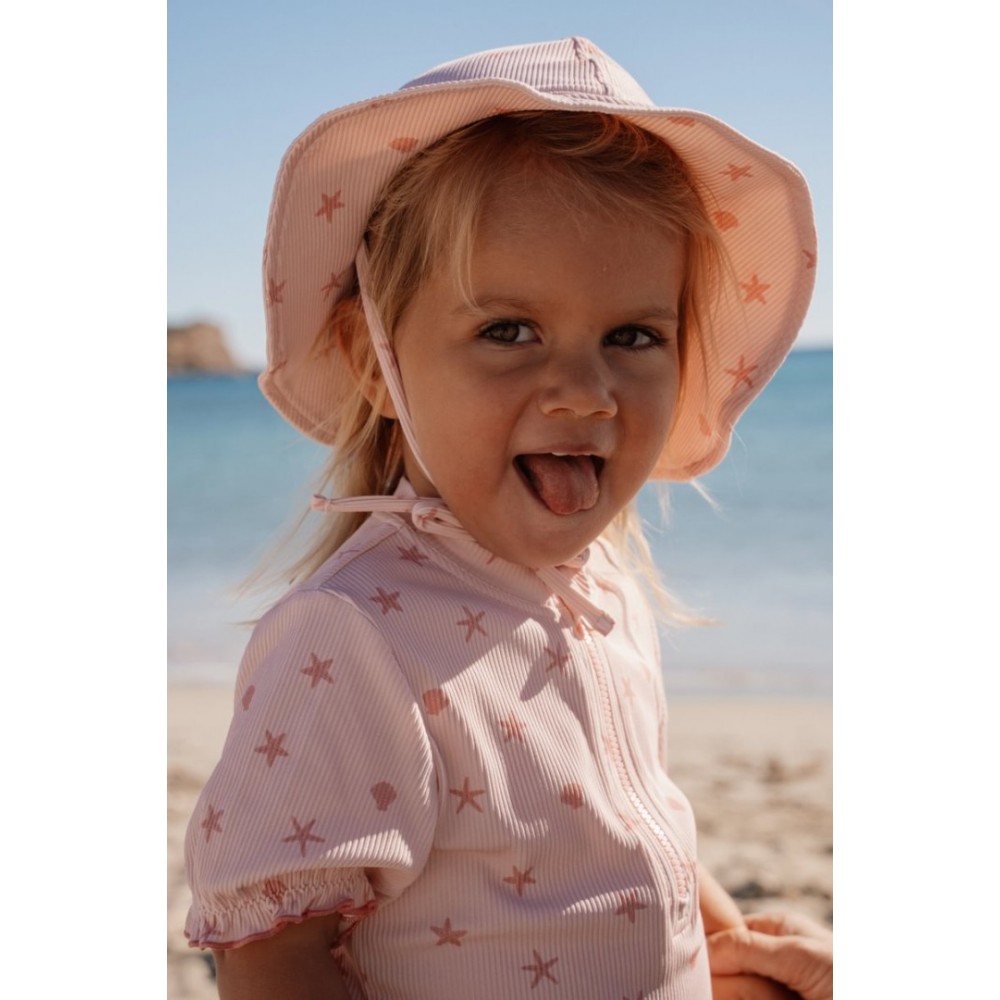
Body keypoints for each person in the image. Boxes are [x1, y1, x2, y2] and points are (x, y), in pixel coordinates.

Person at [184, 37, 826, 999]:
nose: (585, 391)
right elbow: (275, 957)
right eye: (508, 331)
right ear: (374, 363)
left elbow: (632, 826)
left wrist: (729, 952)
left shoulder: (605, 595)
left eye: (633, 335)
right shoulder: (356, 639)